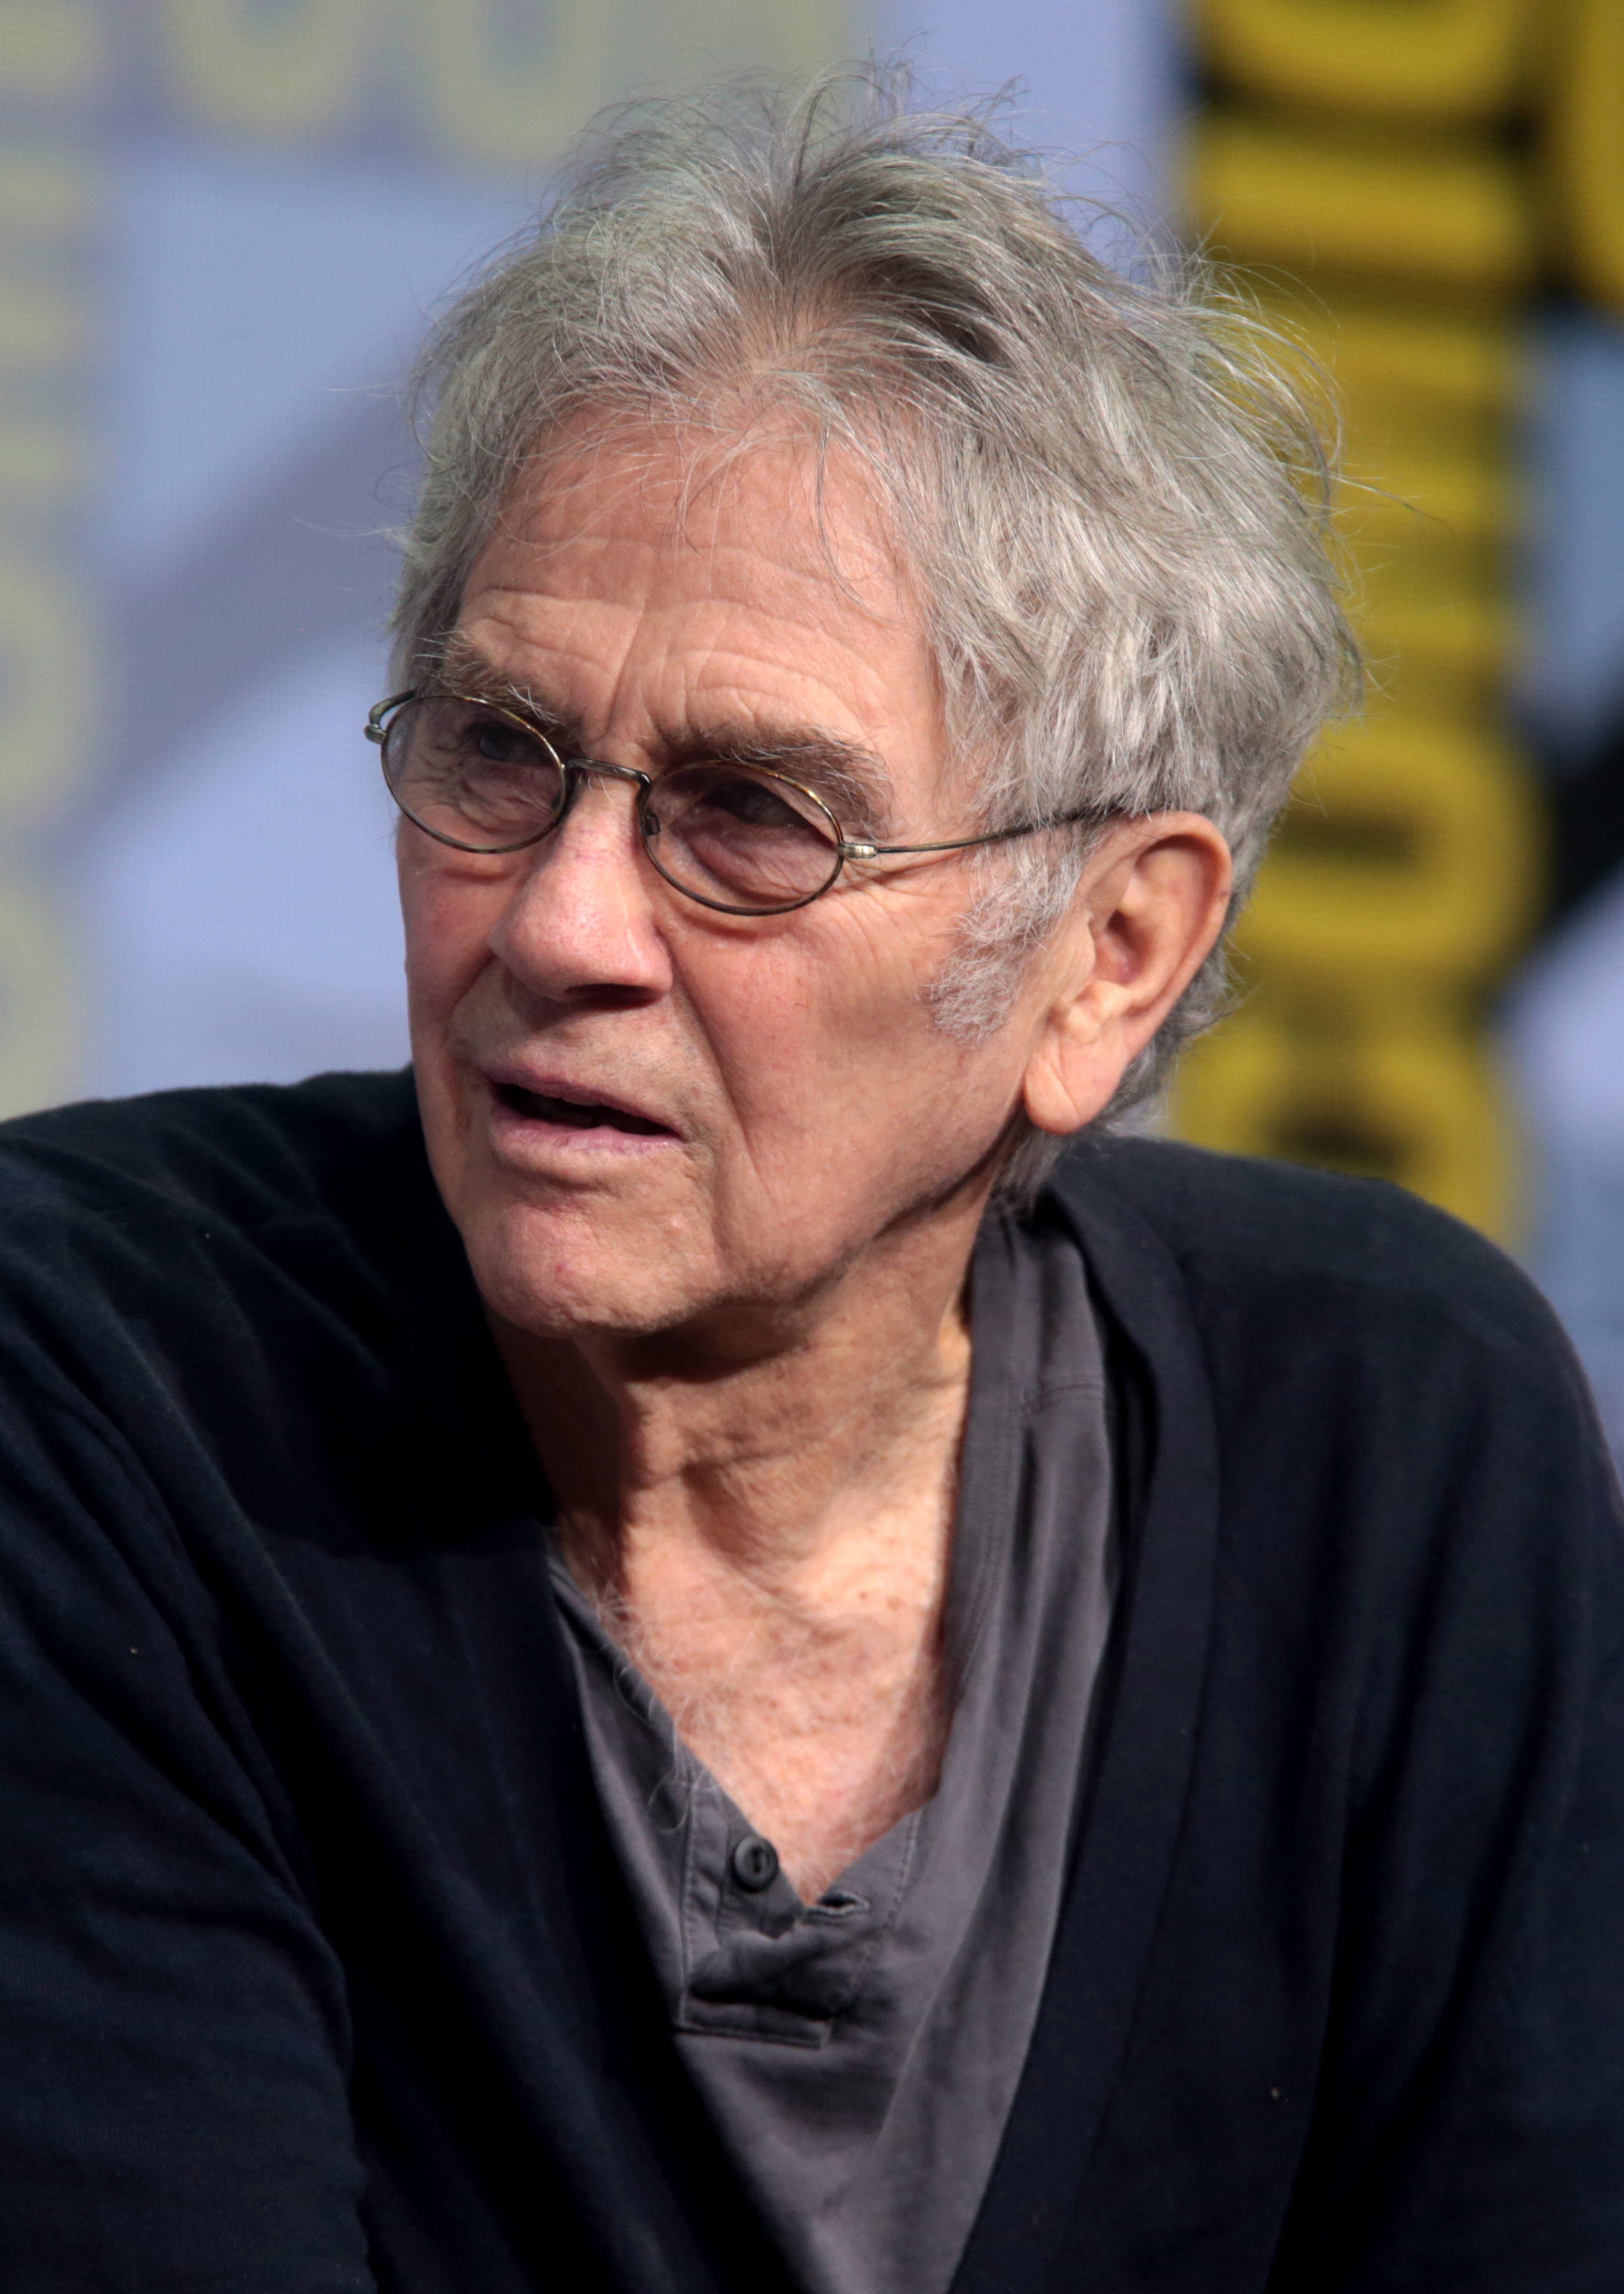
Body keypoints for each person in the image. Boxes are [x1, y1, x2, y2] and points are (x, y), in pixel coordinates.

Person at [1, 73, 1621, 2294]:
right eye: (500, 751)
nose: (561, 923)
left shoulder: (1388, 1441)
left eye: (753, 817)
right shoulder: (99, 1387)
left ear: (1109, 953)